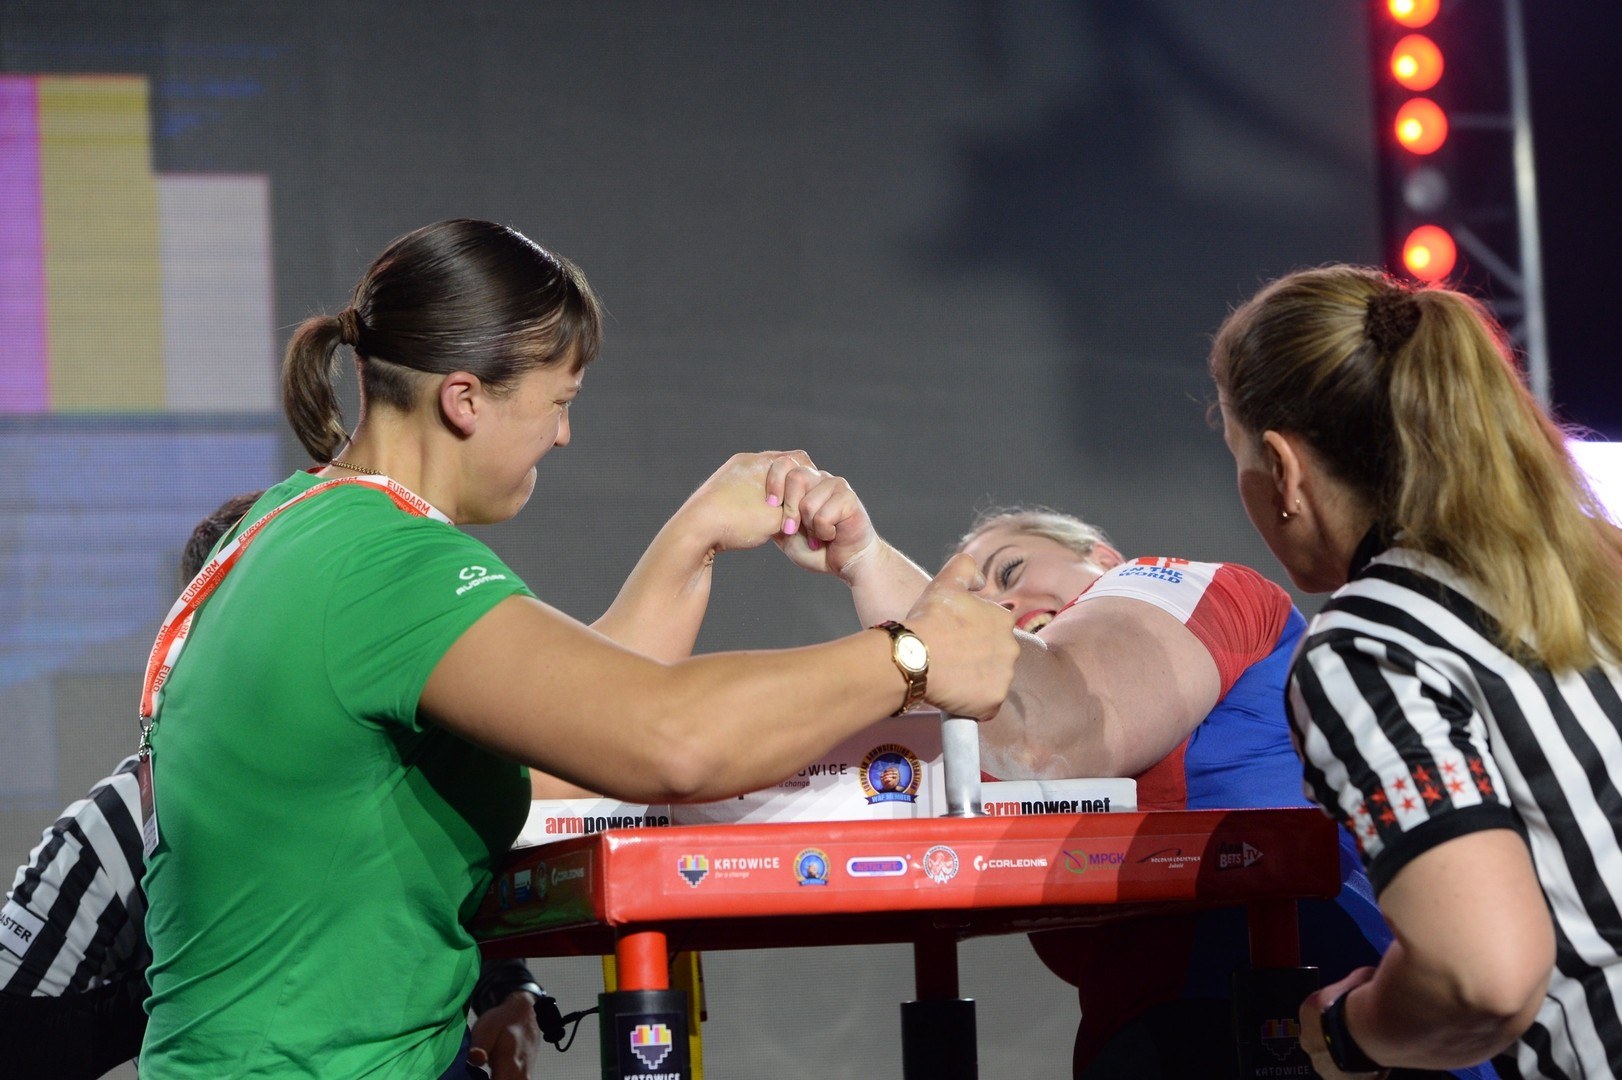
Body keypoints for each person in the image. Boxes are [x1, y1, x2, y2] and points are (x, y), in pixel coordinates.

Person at [136, 218, 1017, 1078]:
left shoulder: (286, 531)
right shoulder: (382, 564)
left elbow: (577, 744)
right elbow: (666, 741)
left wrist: (696, 536)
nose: (563, 435)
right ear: (465, 399)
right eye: (558, 403)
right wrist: (911, 656)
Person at [759, 471, 1491, 1078]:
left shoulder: (1187, 588)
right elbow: (972, 693)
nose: (1003, 606)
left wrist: (868, 560)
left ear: (1103, 559)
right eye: (980, 605)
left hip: (1331, 1020)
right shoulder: (975, 736)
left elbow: (1052, 732)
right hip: (1149, 1047)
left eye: (1011, 571)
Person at [1209, 264, 1622, 1078]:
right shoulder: (1596, 566)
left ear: (1284, 471)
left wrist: (1350, 1033)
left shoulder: (1370, 642)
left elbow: (1483, 977)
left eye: (1238, 456)